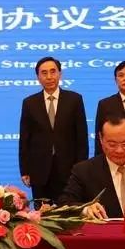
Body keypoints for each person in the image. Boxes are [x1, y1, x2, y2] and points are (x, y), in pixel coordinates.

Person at [19, 56, 88, 203]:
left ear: (60, 74)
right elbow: (25, 139)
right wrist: (25, 170)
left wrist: (82, 169)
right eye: (44, 73)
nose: (49, 77)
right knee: (42, 213)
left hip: (69, 171)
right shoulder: (29, 103)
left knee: (69, 212)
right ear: (38, 77)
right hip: (40, 172)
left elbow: (82, 138)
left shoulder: (74, 100)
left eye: (53, 71)